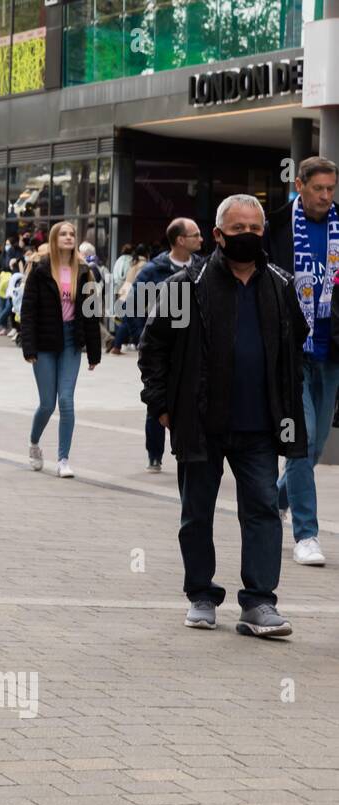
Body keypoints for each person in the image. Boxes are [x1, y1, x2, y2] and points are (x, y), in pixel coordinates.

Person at [139, 194, 307, 638]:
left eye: (255, 229)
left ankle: (259, 604)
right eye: (238, 231)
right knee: (197, 512)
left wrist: (290, 405)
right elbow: (152, 346)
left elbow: (295, 349)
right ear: (217, 236)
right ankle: (200, 594)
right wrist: (160, 404)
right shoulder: (184, 284)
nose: (248, 237)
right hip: (200, 422)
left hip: (260, 426)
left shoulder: (280, 284)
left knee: (264, 510)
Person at [267, 156, 339, 567]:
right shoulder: (274, 225)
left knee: (313, 450)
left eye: (331, 189)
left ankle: (275, 499)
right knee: (304, 440)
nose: (326, 196)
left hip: (331, 352)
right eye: (319, 189)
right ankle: (306, 534)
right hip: (291, 350)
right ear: (299, 185)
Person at [21, 221, 102, 478]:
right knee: (47, 403)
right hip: (44, 342)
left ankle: (63, 459)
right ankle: (34, 443)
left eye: (72, 234)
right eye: (63, 234)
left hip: (71, 341)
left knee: (66, 401)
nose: (68, 237)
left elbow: (91, 314)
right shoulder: (41, 270)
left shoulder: (84, 271)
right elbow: (28, 312)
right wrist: (29, 346)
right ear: (55, 240)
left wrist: (94, 351)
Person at [132, 220, 204, 472]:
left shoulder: (203, 267)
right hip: (163, 345)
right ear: (181, 240)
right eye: (195, 235)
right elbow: (135, 302)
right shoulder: (154, 269)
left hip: (192, 346)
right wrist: (142, 335)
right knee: (158, 397)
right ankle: (154, 453)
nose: (201, 239)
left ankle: (189, 449)